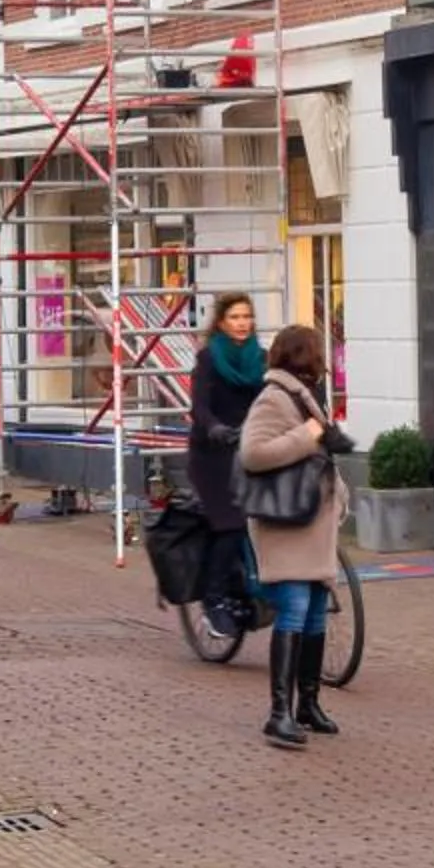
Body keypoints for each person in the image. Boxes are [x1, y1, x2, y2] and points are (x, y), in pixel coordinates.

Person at [237, 323, 352, 749]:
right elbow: (254, 453)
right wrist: (307, 435)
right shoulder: (274, 397)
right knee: (295, 610)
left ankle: (308, 704)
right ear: (303, 355)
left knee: (316, 612)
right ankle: (278, 713)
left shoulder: (307, 396)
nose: (323, 357)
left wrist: (339, 496)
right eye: (317, 350)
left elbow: (322, 457)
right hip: (286, 523)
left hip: (313, 523)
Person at [185, 293, 264, 639]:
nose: (243, 323)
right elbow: (199, 407)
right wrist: (214, 427)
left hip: (250, 447)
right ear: (221, 322)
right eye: (235, 317)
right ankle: (214, 600)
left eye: (247, 316)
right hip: (212, 455)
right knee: (230, 523)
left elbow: (271, 398)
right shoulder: (208, 359)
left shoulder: (261, 358)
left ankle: (260, 585)